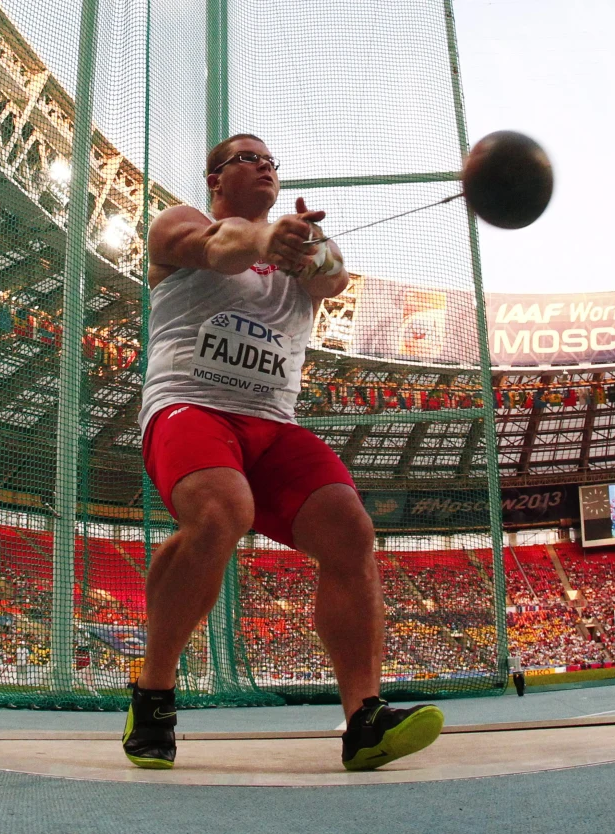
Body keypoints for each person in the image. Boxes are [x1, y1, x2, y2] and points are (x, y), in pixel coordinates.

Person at [123, 133, 444, 771]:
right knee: (220, 514)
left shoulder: (302, 247)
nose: (265, 166)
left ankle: (364, 719)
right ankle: (154, 693)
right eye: (249, 158)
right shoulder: (178, 224)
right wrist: (266, 240)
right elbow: (219, 248)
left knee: (351, 531)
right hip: (191, 407)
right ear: (216, 178)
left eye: (271, 161)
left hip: (272, 424)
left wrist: (308, 250)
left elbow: (335, 278)